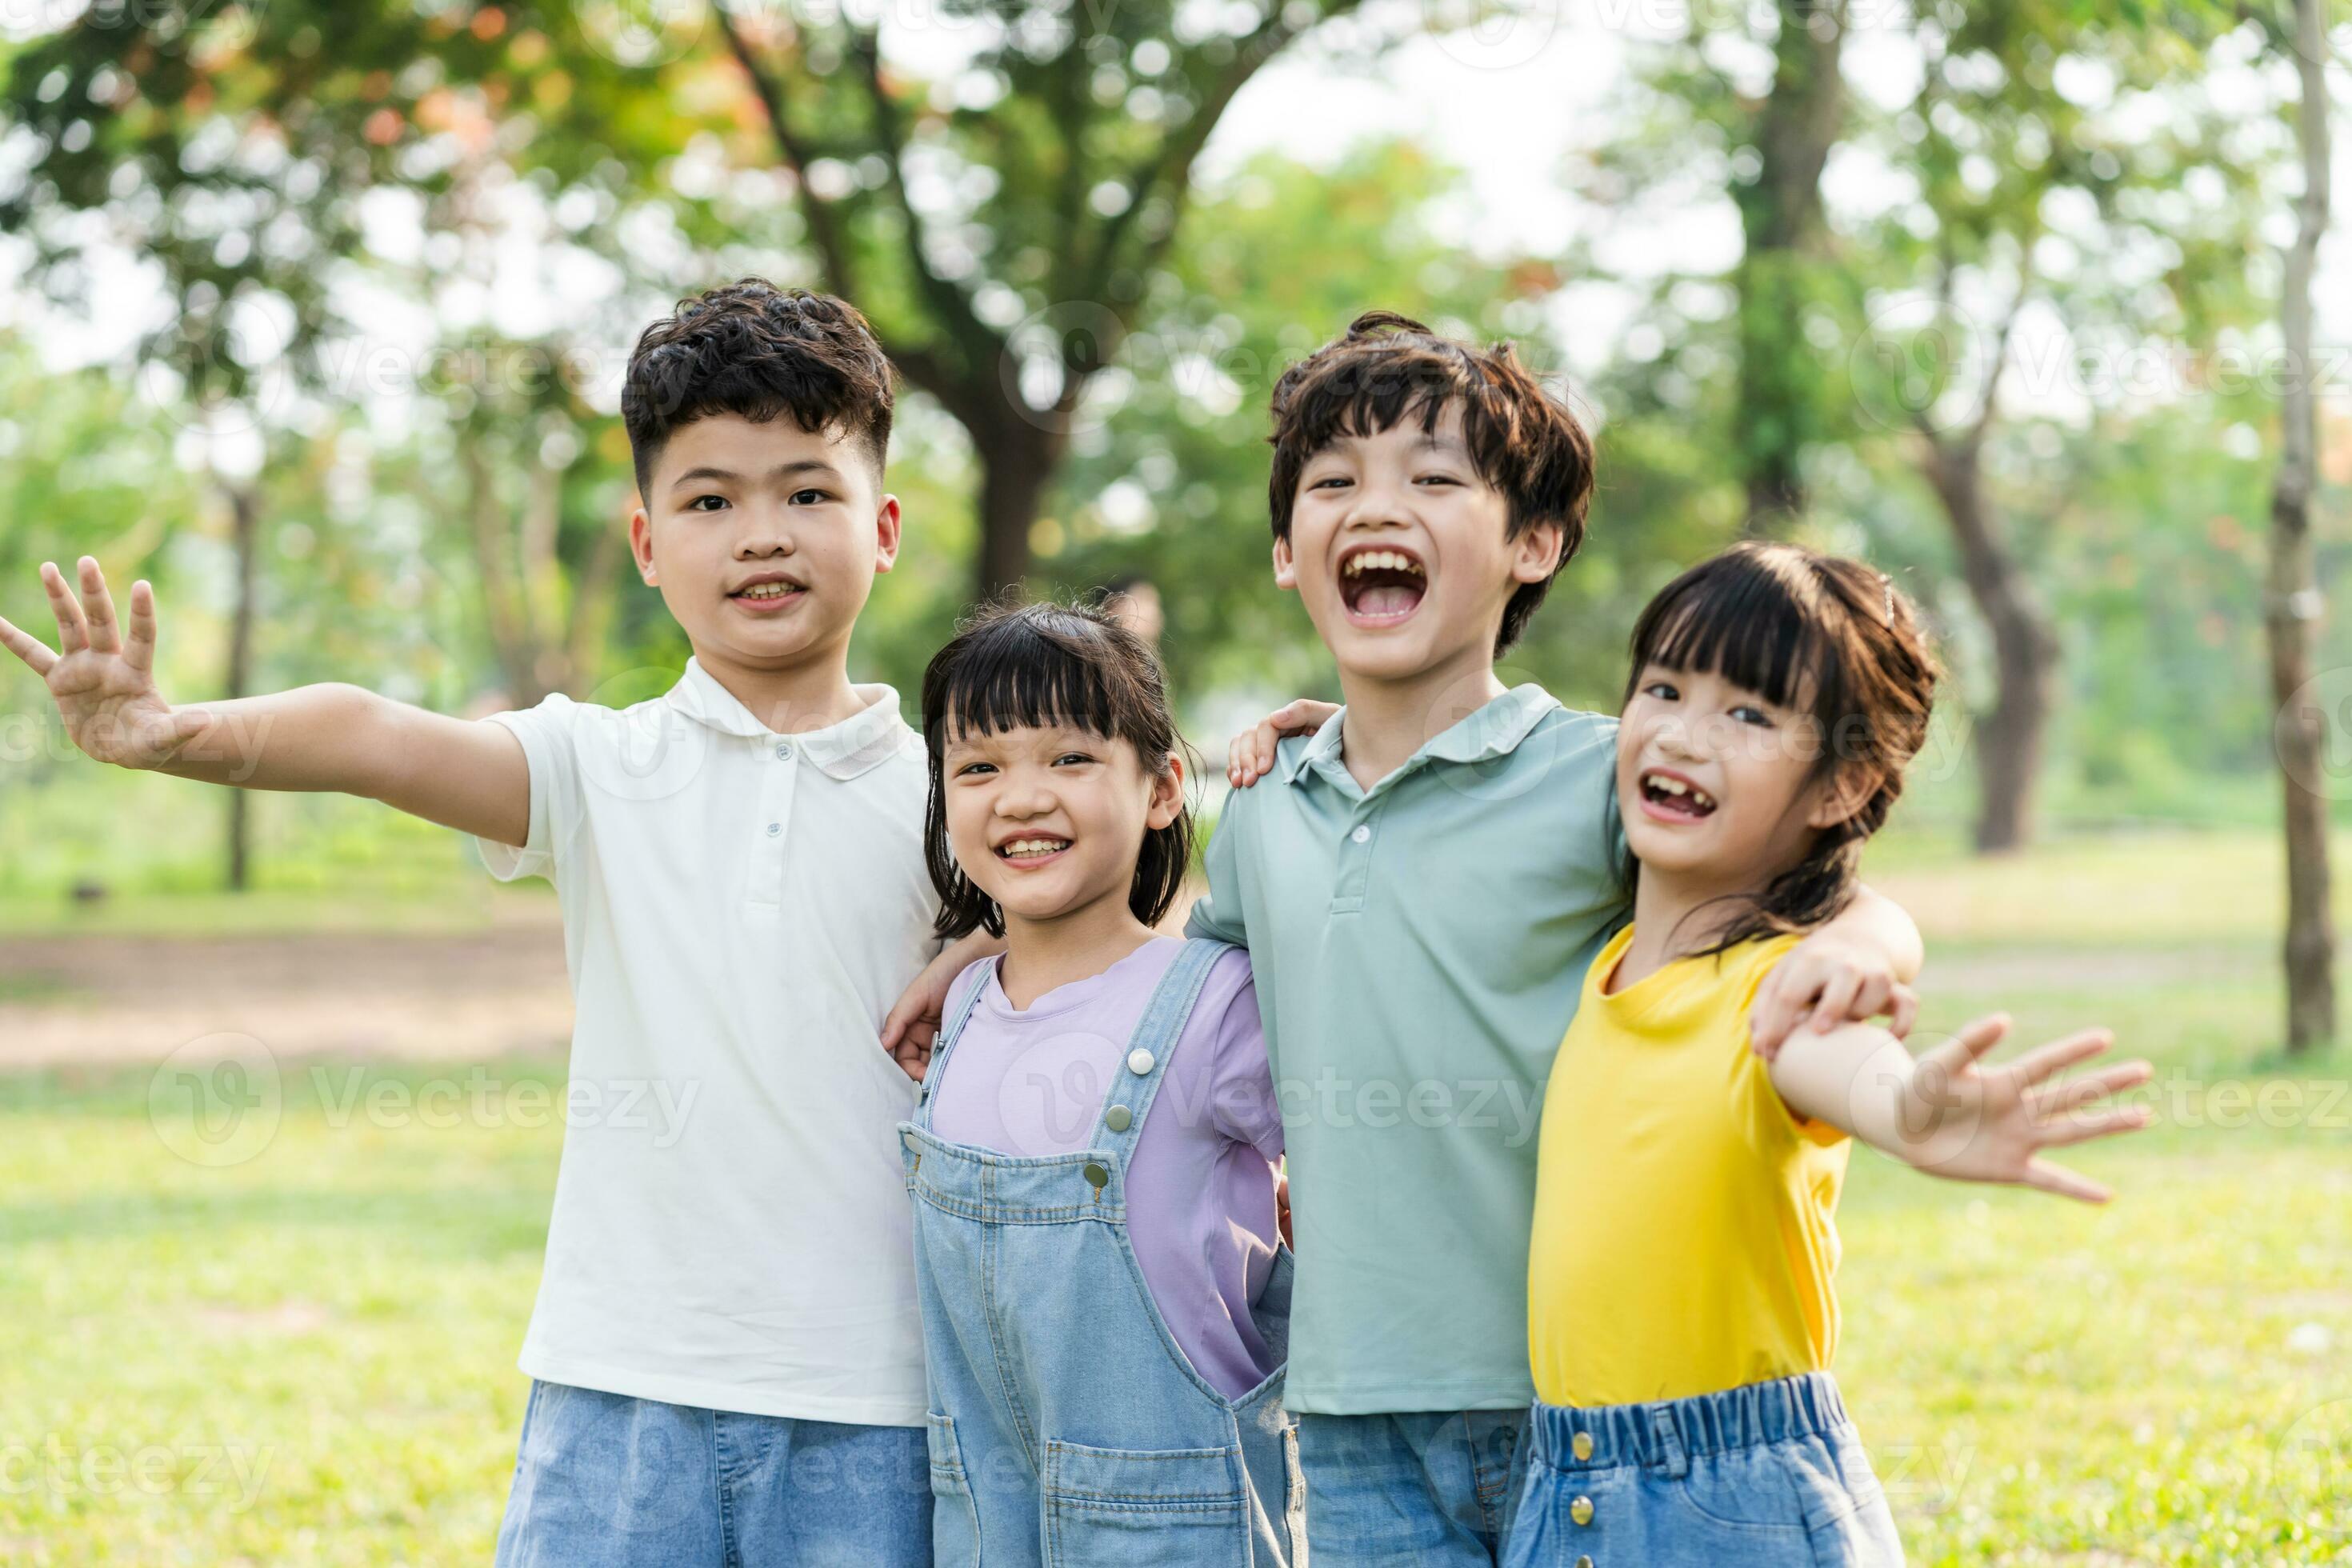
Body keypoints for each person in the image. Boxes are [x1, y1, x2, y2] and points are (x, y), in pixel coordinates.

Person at [0, 281, 993, 1566]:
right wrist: (178, 734)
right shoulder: (598, 767)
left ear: (885, 525)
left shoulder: (961, 795)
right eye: (710, 500)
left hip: (882, 1406)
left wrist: (985, 938)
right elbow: (365, 730)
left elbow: (1117, 925)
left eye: (808, 492)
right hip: (619, 1391)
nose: (762, 535)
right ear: (646, 545)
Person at [1198, 312, 1926, 1565]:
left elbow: (1812, 875)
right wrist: (980, 962)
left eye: (1433, 479)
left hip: (1566, 1395)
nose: (1379, 505)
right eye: (1335, 484)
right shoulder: (1264, 806)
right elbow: (1192, 988)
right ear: (1286, 550)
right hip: (1350, 1395)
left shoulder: (1603, 773)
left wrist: (1872, 943)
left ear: (1533, 544)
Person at [1502, 542, 2151, 1565]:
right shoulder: (1609, 961)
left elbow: (1849, 1068)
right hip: (1564, 1496)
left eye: (1749, 714)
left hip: (1729, 1505)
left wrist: (1915, 1116)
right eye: (1663, 687)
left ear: (1840, 785)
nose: (1683, 732)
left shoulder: (1783, 996)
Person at [902, 598, 1299, 1566]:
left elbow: (1364, 1193)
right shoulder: (961, 1009)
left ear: (1163, 787)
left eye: (1070, 758)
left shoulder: (1215, 1002)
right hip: (987, 1529)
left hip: (1185, 1529)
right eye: (980, 766)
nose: (1022, 797)